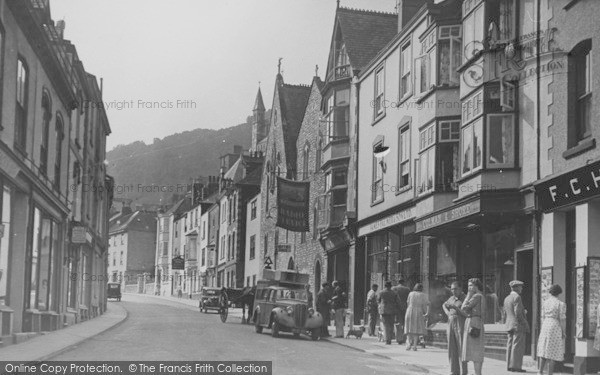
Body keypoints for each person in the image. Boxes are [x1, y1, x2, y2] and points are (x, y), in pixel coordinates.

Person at [537, 284, 566, 375]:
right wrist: (563, 331)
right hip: (555, 325)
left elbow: (542, 316)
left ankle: (540, 371)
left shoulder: (545, 302)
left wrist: (543, 327)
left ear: (551, 292)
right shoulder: (560, 304)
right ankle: (550, 373)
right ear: (559, 293)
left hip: (545, 324)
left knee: (544, 347)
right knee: (552, 350)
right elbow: (562, 319)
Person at [458, 278, 485, 375]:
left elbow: (463, 308)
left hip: (473, 322)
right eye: (468, 285)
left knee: (474, 351)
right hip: (477, 322)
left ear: (476, 286)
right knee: (477, 350)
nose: (469, 288)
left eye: (471, 285)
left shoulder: (476, 296)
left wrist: (468, 296)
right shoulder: (481, 295)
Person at [504, 280, 530, 372]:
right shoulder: (517, 297)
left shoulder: (507, 298)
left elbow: (507, 312)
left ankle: (509, 365)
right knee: (517, 346)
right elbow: (518, 313)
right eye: (520, 287)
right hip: (517, 325)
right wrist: (524, 323)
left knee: (510, 345)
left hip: (509, 324)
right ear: (517, 287)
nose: (521, 288)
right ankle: (516, 367)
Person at [443, 282, 468, 375]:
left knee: (461, 347)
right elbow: (444, 305)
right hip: (450, 322)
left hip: (460, 322)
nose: (454, 291)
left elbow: (466, 314)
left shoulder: (465, 298)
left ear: (461, 289)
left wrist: (455, 308)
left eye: (456, 289)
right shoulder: (451, 298)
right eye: (452, 289)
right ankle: (454, 371)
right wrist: (447, 312)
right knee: (451, 347)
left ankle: (463, 372)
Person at [404, 283, 429, 351]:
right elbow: (426, 304)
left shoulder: (411, 293)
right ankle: (414, 346)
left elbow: (408, 302)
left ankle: (408, 344)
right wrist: (426, 312)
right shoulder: (423, 295)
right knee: (416, 329)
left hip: (409, 310)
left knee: (409, 328)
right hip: (418, 312)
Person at [392, 279, 411, 344]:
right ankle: (404, 338)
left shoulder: (394, 288)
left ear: (398, 282)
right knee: (405, 323)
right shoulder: (407, 289)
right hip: (405, 308)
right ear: (403, 282)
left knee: (398, 323)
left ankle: (398, 338)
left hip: (397, 308)